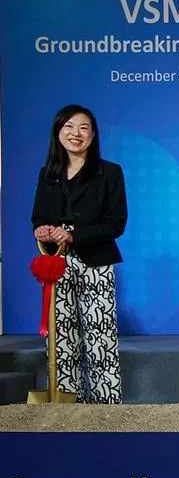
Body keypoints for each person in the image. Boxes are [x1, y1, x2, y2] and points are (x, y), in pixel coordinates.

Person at [31, 104, 127, 403]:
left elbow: (116, 223)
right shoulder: (47, 174)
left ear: (93, 134)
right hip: (57, 264)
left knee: (101, 343)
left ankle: (106, 411)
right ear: (58, 132)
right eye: (69, 126)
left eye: (84, 127)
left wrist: (73, 234)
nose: (76, 133)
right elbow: (37, 218)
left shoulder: (109, 172)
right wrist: (44, 232)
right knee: (62, 341)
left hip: (96, 261)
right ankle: (65, 407)